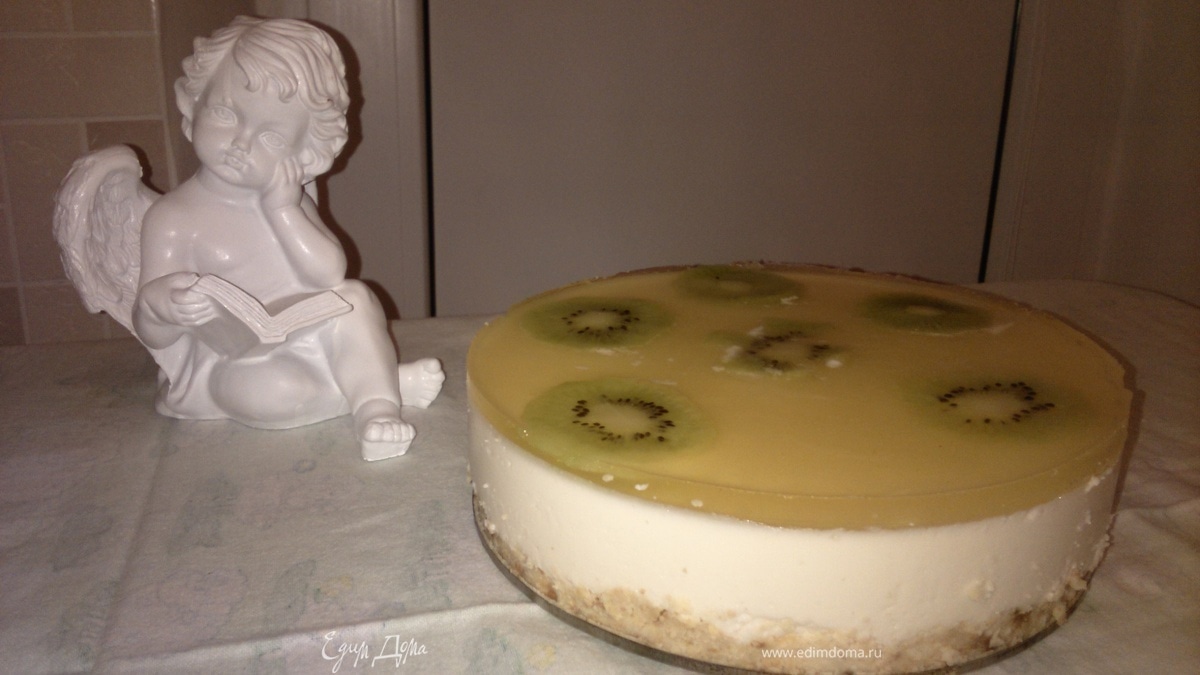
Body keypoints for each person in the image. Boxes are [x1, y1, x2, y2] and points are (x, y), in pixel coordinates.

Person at [132, 17, 441, 460]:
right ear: (194, 102)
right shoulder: (172, 217)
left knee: (355, 299)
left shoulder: (287, 197)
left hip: (306, 333)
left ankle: (376, 408)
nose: (241, 143)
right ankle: (379, 384)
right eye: (225, 114)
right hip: (231, 359)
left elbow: (329, 274)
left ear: (301, 152)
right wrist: (162, 304)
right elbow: (152, 333)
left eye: (272, 137)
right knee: (274, 392)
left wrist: (283, 210)